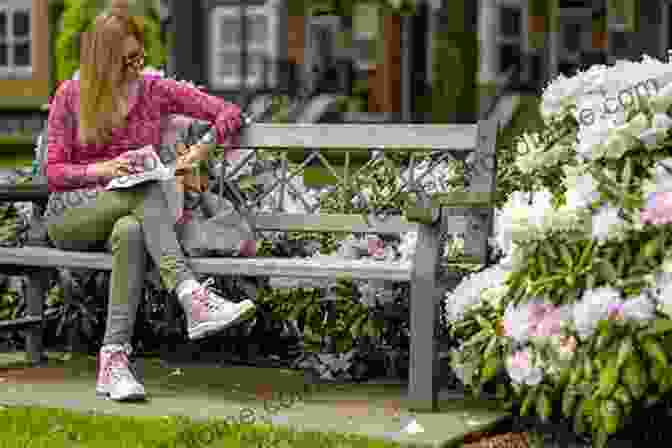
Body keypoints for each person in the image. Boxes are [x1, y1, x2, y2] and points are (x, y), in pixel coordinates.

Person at [44, 2, 256, 402]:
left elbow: (229, 112)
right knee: (142, 190)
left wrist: (198, 153)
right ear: (100, 62)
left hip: (127, 215)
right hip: (73, 214)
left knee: (132, 230)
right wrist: (105, 169)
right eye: (124, 61)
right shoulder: (71, 95)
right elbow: (53, 173)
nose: (134, 67)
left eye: (138, 56)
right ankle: (193, 297)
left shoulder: (154, 89)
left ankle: (114, 362)